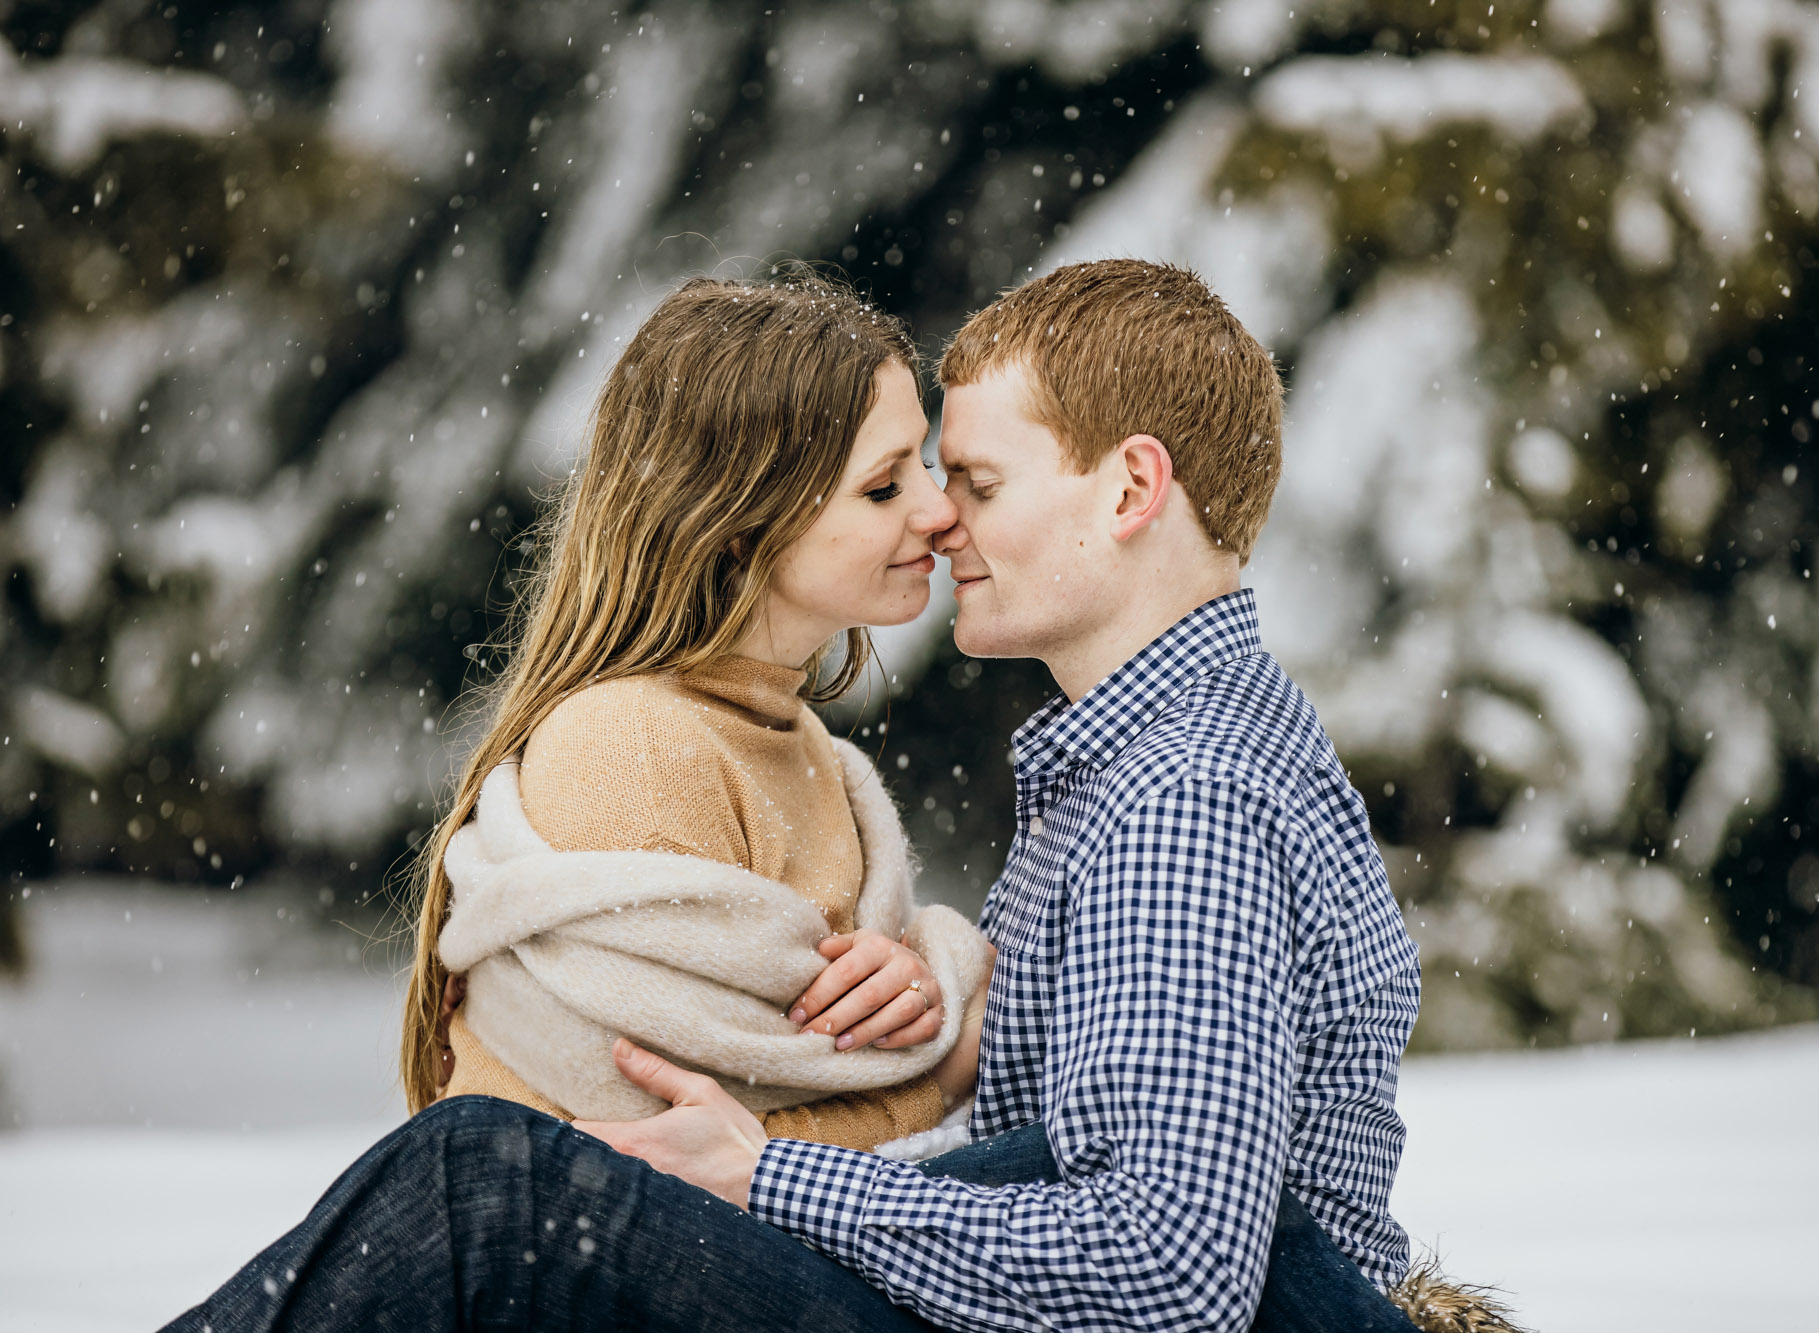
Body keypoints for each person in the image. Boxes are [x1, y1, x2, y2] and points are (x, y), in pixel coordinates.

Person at [164, 259, 1428, 1333]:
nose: (942, 519)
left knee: (481, 1185)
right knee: (483, 1181)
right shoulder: (1145, 768)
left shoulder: (1182, 799)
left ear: (1130, 489)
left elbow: (1168, 1266)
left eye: (974, 484)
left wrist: (777, 1178)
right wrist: (940, 1004)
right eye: (907, 482)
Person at [392, 273, 990, 1152]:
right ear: (743, 525)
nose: (939, 512)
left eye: (925, 466)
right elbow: (665, 1148)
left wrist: (916, 980)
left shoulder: (804, 747)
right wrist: (939, 1074)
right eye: (882, 487)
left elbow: (777, 1083)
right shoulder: (630, 747)